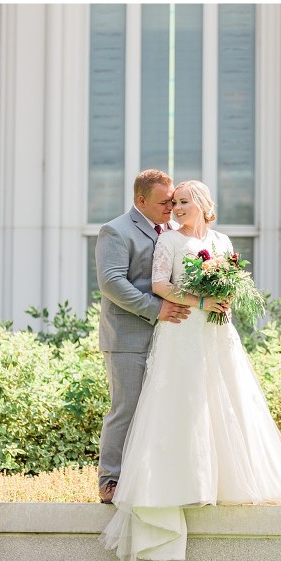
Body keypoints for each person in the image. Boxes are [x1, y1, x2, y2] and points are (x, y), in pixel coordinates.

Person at [100, 180, 281, 561]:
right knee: (178, 403)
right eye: (172, 201)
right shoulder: (170, 241)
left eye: (182, 201)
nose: (175, 207)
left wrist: (226, 297)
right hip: (180, 331)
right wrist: (201, 300)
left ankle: (228, 481)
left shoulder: (223, 241)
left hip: (217, 331)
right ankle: (162, 481)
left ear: (203, 204)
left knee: (226, 399)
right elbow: (160, 285)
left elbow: (235, 280)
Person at [97, 169, 191, 504]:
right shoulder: (116, 230)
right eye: (164, 202)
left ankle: (150, 480)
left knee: (160, 410)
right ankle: (111, 481)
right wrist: (156, 308)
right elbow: (111, 282)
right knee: (126, 408)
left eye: (172, 201)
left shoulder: (172, 230)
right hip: (127, 339)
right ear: (141, 200)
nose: (171, 207)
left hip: (168, 341)